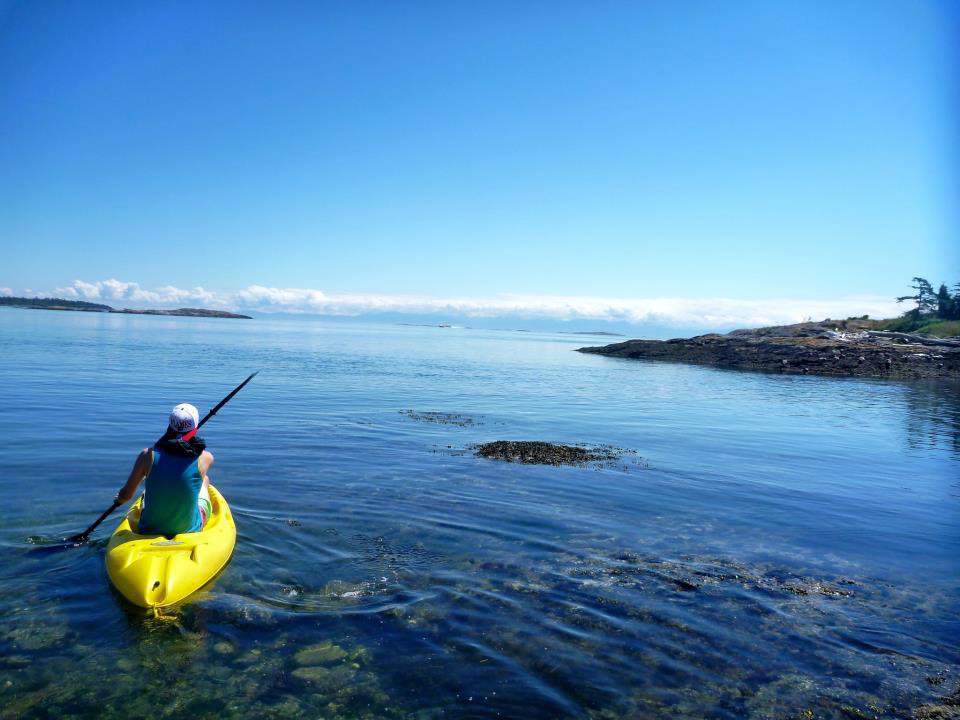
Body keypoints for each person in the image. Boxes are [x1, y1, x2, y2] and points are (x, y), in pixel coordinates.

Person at [115, 403, 214, 536]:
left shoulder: (147, 455)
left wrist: (119, 500)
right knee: (205, 480)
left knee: (151, 483)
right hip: (189, 530)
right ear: (194, 428)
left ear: (170, 424)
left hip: (148, 529)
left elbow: (126, 495)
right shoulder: (206, 458)